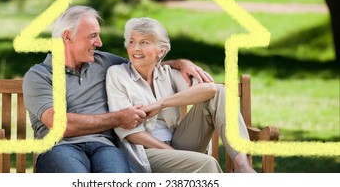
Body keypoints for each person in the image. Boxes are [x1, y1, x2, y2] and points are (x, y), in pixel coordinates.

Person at [22, 6, 212, 173]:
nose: (99, 43)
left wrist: (181, 63)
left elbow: (144, 62)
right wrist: (118, 118)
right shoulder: (40, 75)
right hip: (60, 148)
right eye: (93, 36)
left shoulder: (102, 62)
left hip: (104, 147)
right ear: (68, 37)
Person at [106, 17, 256, 173]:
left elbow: (211, 90)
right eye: (131, 42)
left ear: (161, 51)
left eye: (144, 42)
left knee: (220, 93)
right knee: (207, 163)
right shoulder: (117, 75)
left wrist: (162, 103)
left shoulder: (168, 74)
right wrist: (173, 152)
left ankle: (241, 165)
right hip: (143, 152)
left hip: (178, 143)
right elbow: (131, 133)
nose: (136, 48)